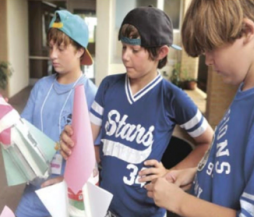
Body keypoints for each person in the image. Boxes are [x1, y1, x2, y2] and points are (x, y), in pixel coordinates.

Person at [59, 6, 214, 217]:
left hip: (147, 211)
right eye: (123, 47)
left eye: (135, 50)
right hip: (105, 208)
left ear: (161, 52)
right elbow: (87, 140)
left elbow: (208, 142)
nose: (125, 56)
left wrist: (171, 174)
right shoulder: (108, 86)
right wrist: (72, 140)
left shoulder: (172, 97)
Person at [145, 0, 254, 216]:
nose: (208, 61)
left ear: (247, 31)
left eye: (211, 48)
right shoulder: (246, 90)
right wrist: (198, 174)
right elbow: (233, 166)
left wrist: (180, 202)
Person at [0, 10, 98, 217]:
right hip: (36, 189)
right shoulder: (42, 87)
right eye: (51, 47)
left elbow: (95, 155)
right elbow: (22, 133)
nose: (52, 55)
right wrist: (0, 117)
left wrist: (70, 183)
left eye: (61, 48)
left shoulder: (91, 95)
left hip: (69, 193)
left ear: (80, 50)